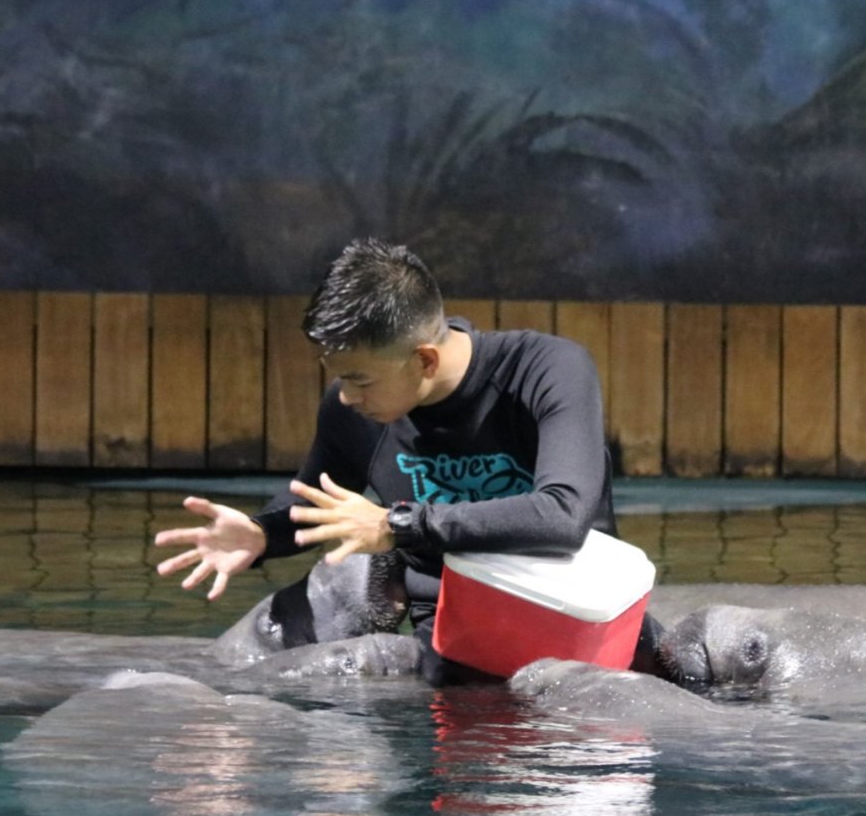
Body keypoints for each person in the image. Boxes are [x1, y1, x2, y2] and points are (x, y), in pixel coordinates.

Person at [154, 237, 654, 679]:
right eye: (340, 377)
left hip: (575, 633)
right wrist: (262, 533)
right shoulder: (351, 411)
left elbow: (563, 514)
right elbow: (314, 502)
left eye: (360, 379)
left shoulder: (545, 369)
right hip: (447, 649)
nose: (346, 396)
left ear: (425, 360)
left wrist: (401, 525)